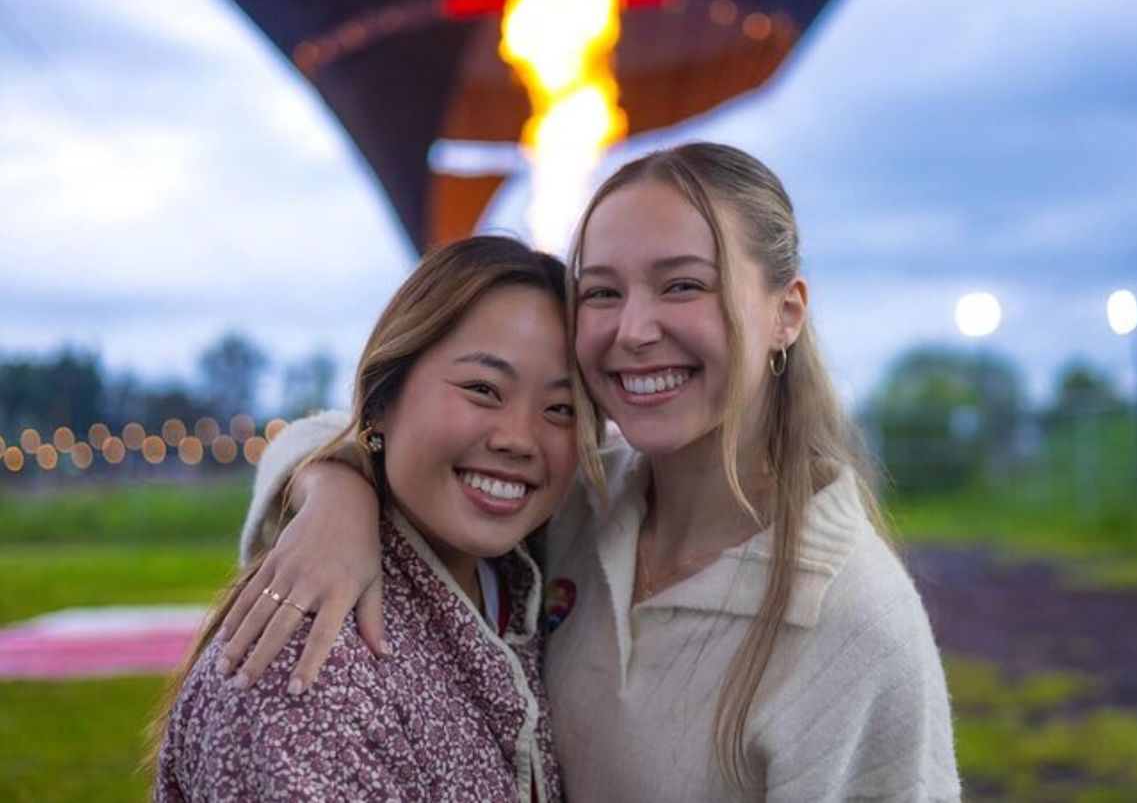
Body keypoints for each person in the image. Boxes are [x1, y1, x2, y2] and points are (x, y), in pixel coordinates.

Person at [218, 143, 961, 801]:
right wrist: (337, 492)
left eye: (683, 285)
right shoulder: (576, 502)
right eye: (602, 291)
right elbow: (357, 429)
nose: (634, 330)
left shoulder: (856, 623)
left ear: (786, 312)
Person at [152, 236, 579, 801]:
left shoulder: (517, 580)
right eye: (482, 389)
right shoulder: (307, 669)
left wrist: (329, 482)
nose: (519, 439)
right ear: (380, 400)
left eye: (561, 409)